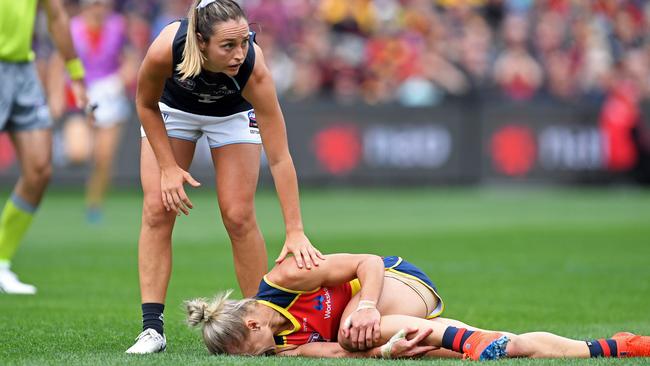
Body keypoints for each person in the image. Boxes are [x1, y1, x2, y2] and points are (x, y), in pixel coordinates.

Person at [126, 0, 323, 354]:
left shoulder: (253, 68)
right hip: (173, 110)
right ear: (201, 42)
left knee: (238, 215)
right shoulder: (165, 49)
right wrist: (169, 167)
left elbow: (280, 157)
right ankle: (152, 330)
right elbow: (145, 104)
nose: (240, 53)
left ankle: (259, 322)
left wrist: (294, 230)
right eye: (228, 46)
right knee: (157, 208)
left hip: (233, 114)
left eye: (245, 41)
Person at [185, 253, 650, 360]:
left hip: (396, 279)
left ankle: (464, 340)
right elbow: (346, 355)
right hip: (391, 324)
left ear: (251, 322)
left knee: (353, 327)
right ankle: (614, 347)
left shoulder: (284, 279)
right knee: (511, 348)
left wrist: (365, 308)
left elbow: (367, 262)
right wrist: (392, 350)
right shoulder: (281, 347)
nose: (263, 357)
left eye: (254, 350)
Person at [0, 0, 87, 294]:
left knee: (39, 169)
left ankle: (1, 260)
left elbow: (57, 14)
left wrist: (75, 72)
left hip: (23, 70)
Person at [49, 0, 136, 223]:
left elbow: (132, 60)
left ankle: (94, 204)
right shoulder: (72, 27)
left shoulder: (119, 26)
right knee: (79, 152)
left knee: (104, 157)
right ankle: (65, 146)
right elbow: (58, 61)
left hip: (110, 98)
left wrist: (119, 80)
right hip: (80, 96)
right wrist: (56, 95)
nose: (99, 8)